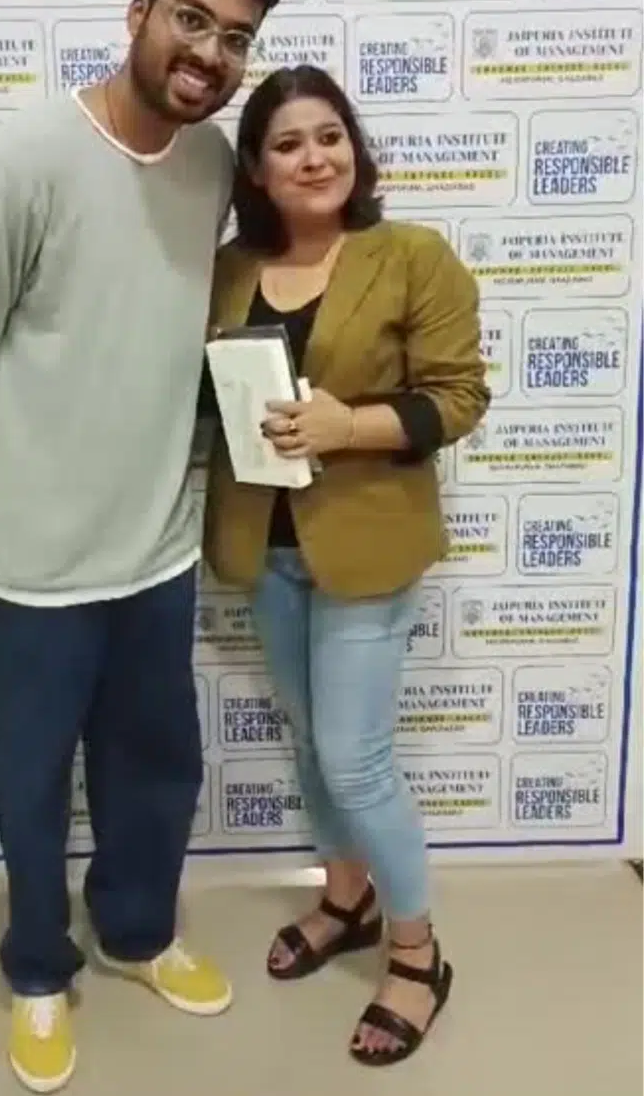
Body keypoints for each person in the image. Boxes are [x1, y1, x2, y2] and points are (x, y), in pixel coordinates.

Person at [0, 0, 282, 1094]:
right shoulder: (30, 157)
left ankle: (136, 931)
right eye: (192, 19)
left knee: (155, 769)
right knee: (31, 785)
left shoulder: (213, 166)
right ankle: (39, 968)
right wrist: (27, 473)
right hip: (31, 562)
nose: (208, 53)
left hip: (155, 551)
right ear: (140, 12)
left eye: (235, 38)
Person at [201, 65, 490, 1067]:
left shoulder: (412, 256)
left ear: (356, 149)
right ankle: (347, 899)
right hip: (265, 548)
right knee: (314, 746)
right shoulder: (229, 269)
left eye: (329, 136)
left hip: (369, 548)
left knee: (357, 759)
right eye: (287, 143)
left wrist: (347, 425)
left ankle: (416, 954)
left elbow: (458, 398)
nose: (314, 157)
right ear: (257, 169)